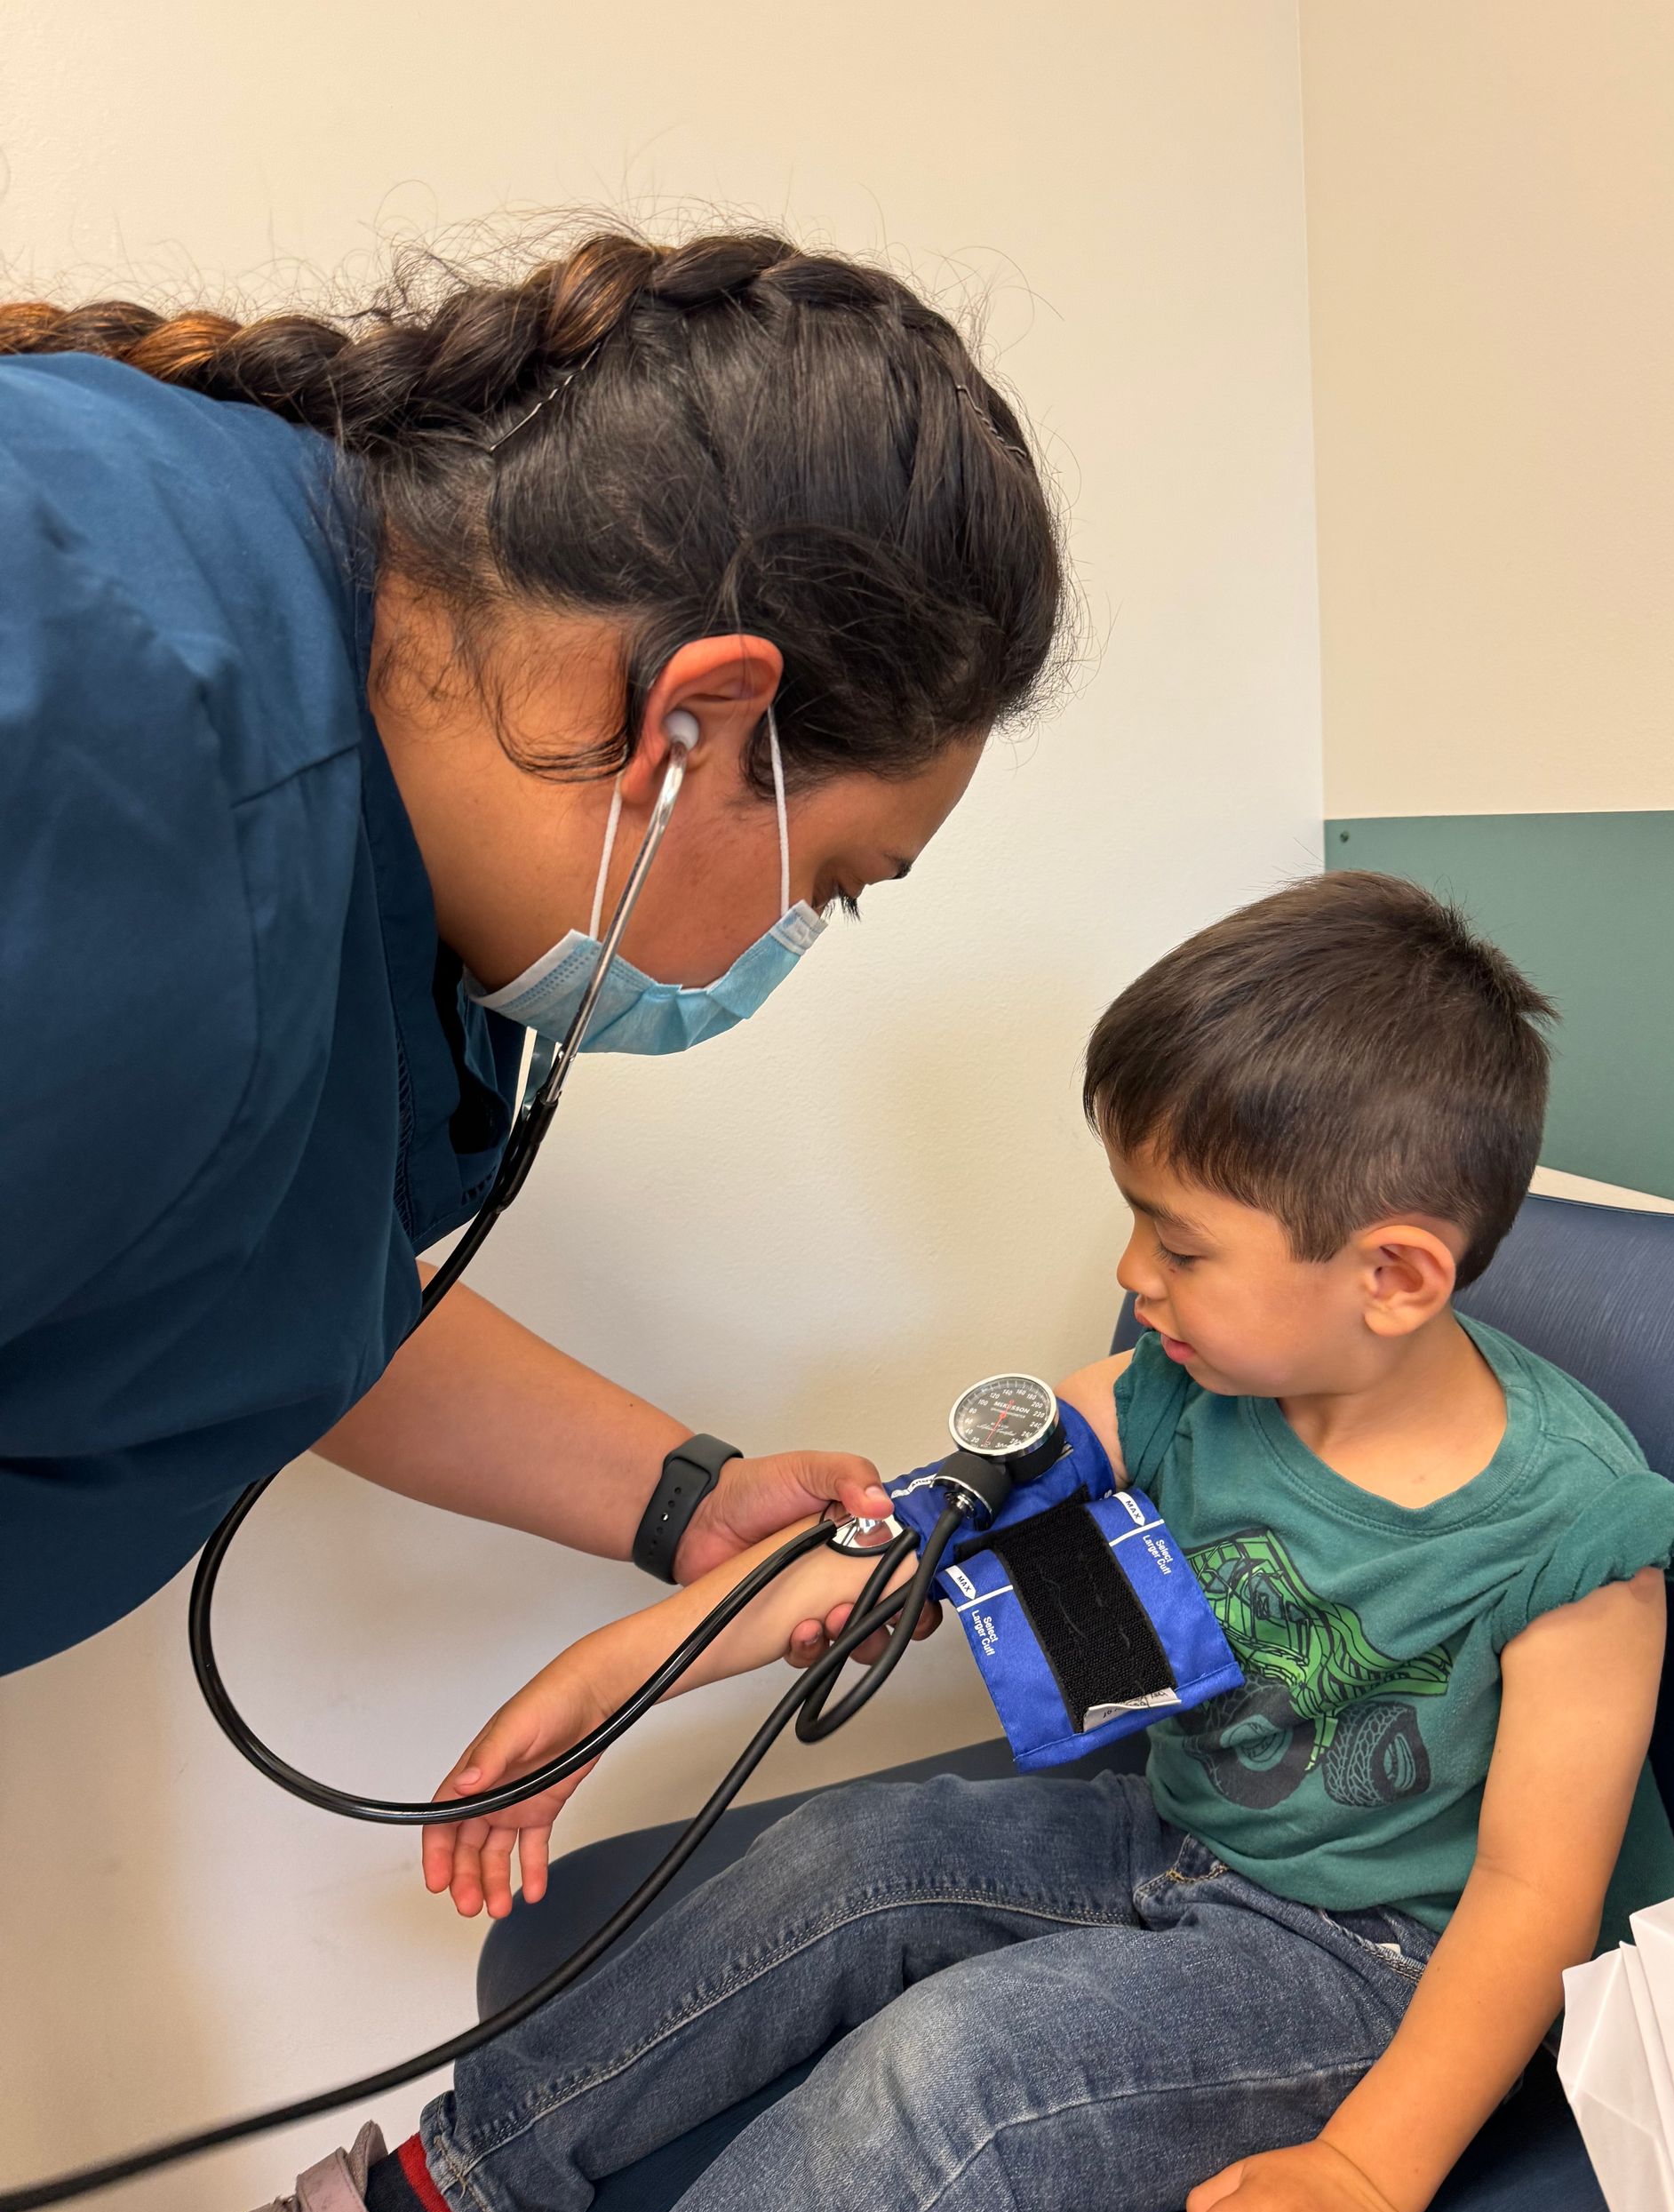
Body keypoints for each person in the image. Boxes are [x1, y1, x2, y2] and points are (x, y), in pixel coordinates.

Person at [92, 872, 1674, 2212]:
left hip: (1372, 1972)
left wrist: (1364, 2173)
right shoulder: (1176, 1390)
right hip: (1183, 1835)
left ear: (1396, 1274)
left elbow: (1531, 1904)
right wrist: (608, 1677)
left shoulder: (1572, 1533)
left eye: (1180, 1242)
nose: (1135, 1276)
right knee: (854, 1857)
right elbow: (891, 1543)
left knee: (953, 2070)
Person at [0, 228, 1064, 1688]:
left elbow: (250, 1271)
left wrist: (680, 1497)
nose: (794, 938)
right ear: (696, 724)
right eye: (834, 882)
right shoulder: (137, 817)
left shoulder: (292, 717)